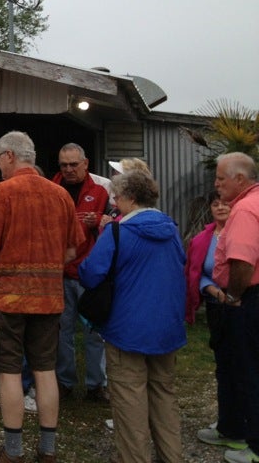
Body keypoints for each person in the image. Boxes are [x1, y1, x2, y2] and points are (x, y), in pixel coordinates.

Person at [0, 131, 83, 463]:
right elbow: (70, 249)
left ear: (9, 156)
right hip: (49, 298)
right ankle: (47, 451)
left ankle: (12, 453)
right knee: (45, 369)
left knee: (9, 370)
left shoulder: (2, 192)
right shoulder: (61, 195)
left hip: (7, 298)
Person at [79, 170, 186, 463]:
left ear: (130, 198)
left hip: (127, 329)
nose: (114, 202)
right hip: (167, 328)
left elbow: (90, 274)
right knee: (164, 397)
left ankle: (134, 458)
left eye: (117, 196)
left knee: (130, 402)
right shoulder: (171, 230)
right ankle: (171, 456)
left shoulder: (118, 231)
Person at [187, 190, 248, 452]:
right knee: (223, 366)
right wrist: (213, 291)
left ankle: (241, 424)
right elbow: (195, 271)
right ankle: (228, 421)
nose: (221, 207)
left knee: (241, 366)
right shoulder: (203, 238)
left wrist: (232, 293)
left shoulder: (243, 233)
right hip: (216, 307)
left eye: (226, 203)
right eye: (215, 203)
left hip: (242, 306)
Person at [52, 142, 110, 401]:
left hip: (89, 274)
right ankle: (64, 381)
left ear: (85, 164)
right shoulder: (50, 189)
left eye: (74, 164)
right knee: (61, 331)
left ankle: (96, 385)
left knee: (94, 333)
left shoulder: (101, 190)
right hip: (59, 273)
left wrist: (98, 220)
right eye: (64, 165)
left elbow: (116, 223)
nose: (69, 170)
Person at [212, 152, 259, 463]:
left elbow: (242, 262)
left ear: (240, 180)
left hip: (249, 298)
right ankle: (232, 427)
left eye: (220, 178)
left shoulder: (244, 210)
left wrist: (233, 295)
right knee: (239, 366)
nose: (216, 185)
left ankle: (254, 445)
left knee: (248, 370)